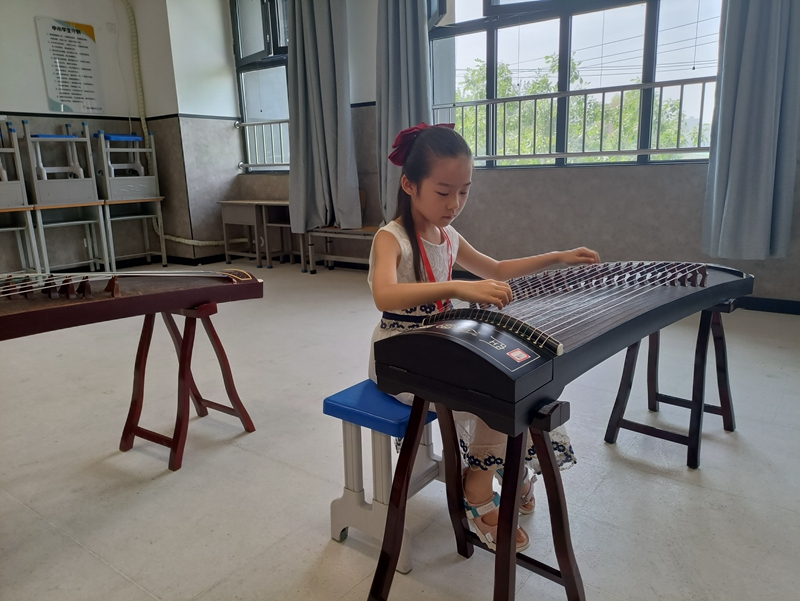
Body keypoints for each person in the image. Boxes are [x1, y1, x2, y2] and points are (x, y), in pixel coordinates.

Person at [367, 122, 600, 553]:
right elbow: (384, 293)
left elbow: (496, 268)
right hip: (400, 353)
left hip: (438, 340)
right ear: (409, 184)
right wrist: (458, 287)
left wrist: (558, 256)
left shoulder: (447, 236)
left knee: (513, 374)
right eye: (443, 191)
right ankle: (478, 487)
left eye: (464, 191)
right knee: (492, 389)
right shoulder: (391, 238)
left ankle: (498, 468)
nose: (454, 204)